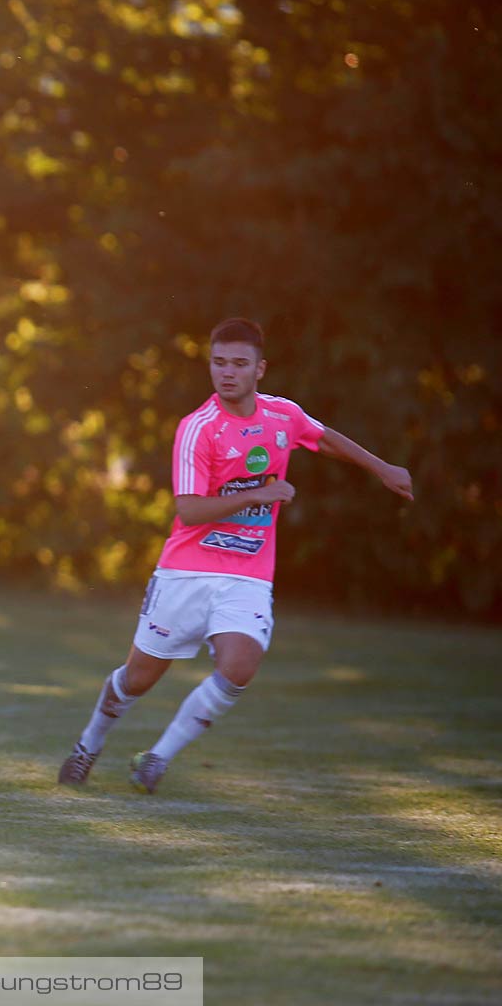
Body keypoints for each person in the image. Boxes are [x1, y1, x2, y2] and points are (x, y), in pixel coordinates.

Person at [57, 318, 413, 794]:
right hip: (185, 571)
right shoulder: (198, 428)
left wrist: (382, 467)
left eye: (239, 364)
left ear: (259, 369)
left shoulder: (282, 416)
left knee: (241, 665)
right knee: (138, 678)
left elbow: (324, 438)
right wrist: (255, 496)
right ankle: (88, 745)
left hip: (248, 574)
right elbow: (188, 510)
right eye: (219, 362)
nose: (227, 372)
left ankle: (156, 759)